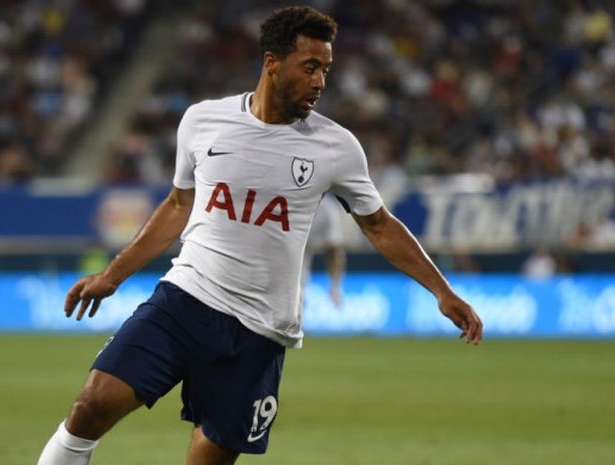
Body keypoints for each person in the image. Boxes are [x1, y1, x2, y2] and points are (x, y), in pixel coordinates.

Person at [37, 6, 483, 465]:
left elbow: (379, 224)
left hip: (258, 332)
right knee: (91, 406)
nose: (321, 82)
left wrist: (442, 291)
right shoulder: (201, 121)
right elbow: (177, 205)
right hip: (184, 300)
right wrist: (113, 276)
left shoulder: (336, 147)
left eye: (326, 69)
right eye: (310, 67)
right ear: (272, 62)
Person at [302, 193, 346, 306]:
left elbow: (334, 250)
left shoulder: (328, 209)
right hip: (277, 257)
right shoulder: (287, 197)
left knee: (298, 304)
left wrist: (335, 287)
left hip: (302, 262)